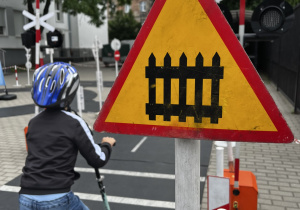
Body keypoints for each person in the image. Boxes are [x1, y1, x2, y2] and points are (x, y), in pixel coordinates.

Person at [19, 62, 116, 210]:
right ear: (70, 91)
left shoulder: (33, 123)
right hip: (57, 198)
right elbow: (97, 159)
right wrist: (106, 144)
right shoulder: (74, 122)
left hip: (26, 197)